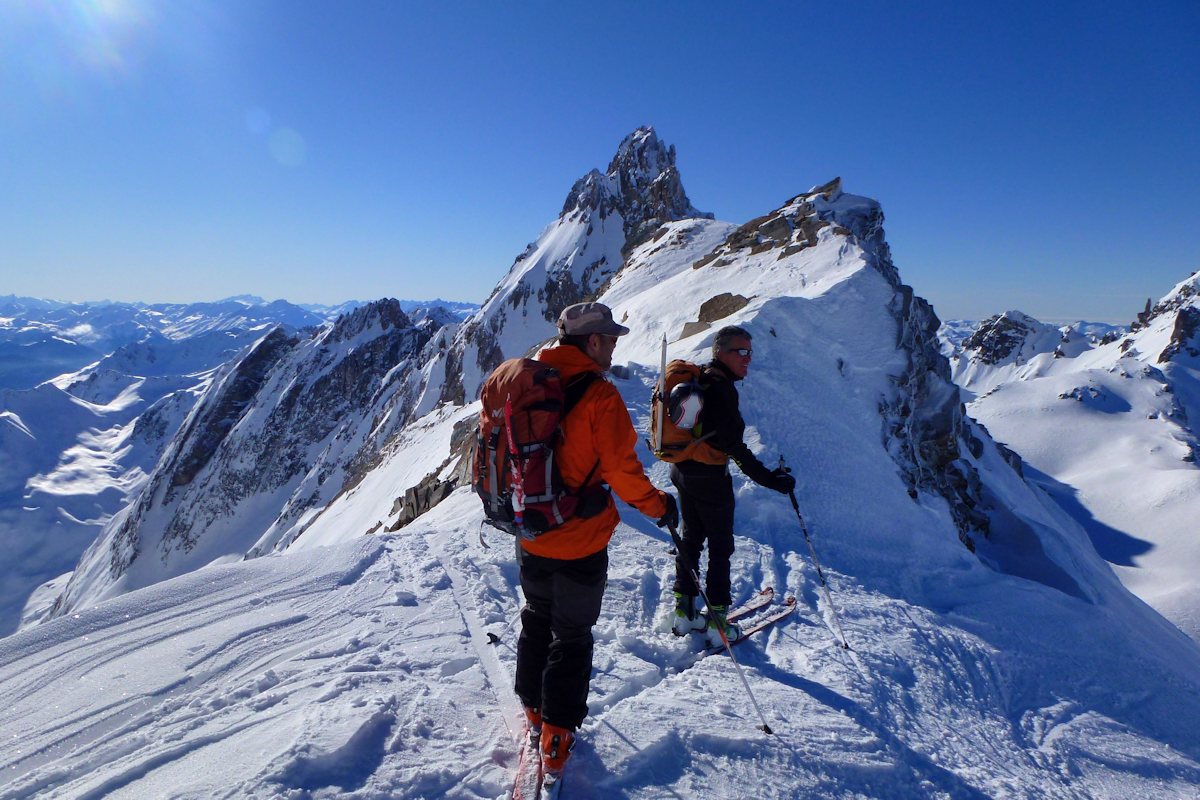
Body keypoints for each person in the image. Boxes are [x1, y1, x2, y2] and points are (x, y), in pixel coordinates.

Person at [514, 301, 679, 779]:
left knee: (537, 618)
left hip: (530, 532)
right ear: (590, 342)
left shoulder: (529, 382)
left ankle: (532, 711)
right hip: (579, 539)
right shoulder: (600, 397)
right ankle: (558, 735)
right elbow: (623, 473)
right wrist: (661, 507)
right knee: (572, 634)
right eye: (609, 338)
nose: (613, 345)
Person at [670, 325, 795, 645]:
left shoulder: (702, 380)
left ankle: (683, 612)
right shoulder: (720, 388)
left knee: (692, 538)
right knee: (721, 548)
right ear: (720, 352)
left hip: (684, 473)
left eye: (750, 352)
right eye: (741, 352)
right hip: (711, 480)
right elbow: (733, 445)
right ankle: (718, 622)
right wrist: (770, 479)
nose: (747, 359)